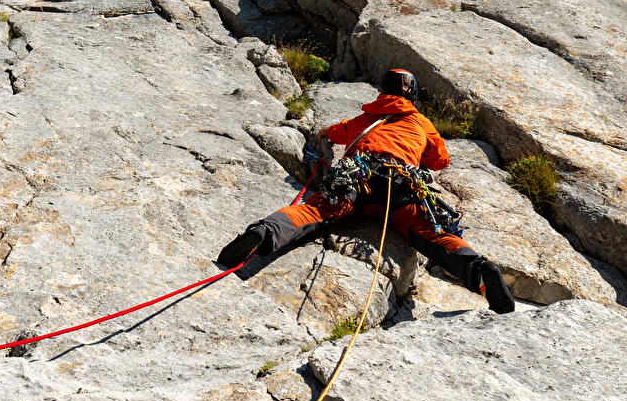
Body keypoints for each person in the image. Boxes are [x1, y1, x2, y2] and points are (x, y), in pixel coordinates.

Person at [217, 69, 515, 313]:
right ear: (412, 94)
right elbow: (440, 160)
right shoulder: (421, 123)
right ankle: (479, 273)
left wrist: (323, 134)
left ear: (383, 91)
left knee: (313, 211)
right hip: (400, 187)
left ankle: (264, 234)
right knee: (434, 235)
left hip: (357, 178)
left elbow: (339, 131)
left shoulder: (370, 117)